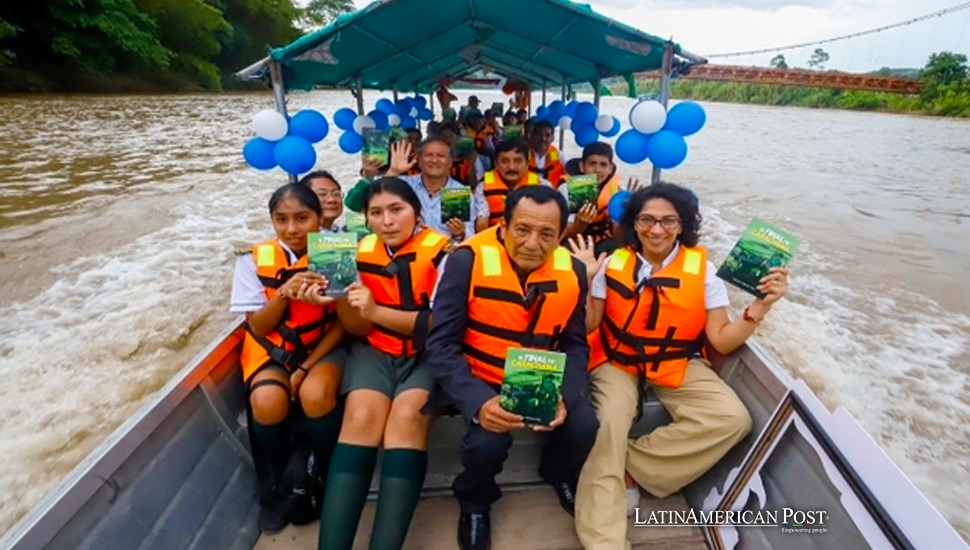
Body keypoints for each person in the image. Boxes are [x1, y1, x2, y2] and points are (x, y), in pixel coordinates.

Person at [572, 182, 790, 550]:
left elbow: (720, 340)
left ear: (683, 225)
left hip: (676, 360)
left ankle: (629, 464)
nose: (656, 230)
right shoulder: (611, 262)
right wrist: (584, 280)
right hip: (617, 359)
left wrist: (762, 305)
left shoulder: (703, 270)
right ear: (634, 223)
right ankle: (603, 543)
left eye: (668, 221)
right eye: (647, 220)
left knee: (732, 419)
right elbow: (590, 324)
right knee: (609, 426)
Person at [426, 185, 599, 550]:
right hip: (479, 373)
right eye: (522, 229)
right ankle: (474, 501)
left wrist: (564, 398)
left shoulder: (573, 272)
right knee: (487, 444)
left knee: (584, 426)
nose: (533, 243)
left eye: (547, 234)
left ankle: (556, 473)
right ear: (503, 226)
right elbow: (440, 344)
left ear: (560, 235)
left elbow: (575, 344)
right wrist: (477, 401)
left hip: (538, 375)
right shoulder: (465, 261)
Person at [316, 178, 449, 550]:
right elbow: (357, 326)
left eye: (396, 210)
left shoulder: (445, 253)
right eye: (376, 213)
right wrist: (340, 297)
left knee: (405, 421)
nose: (387, 221)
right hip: (375, 349)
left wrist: (376, 309)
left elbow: (440, 323)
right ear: (367, 219)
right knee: (360, 420)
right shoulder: (354, 253)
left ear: (416, 213)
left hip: (428, 354)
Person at [230, 183, 345, 532]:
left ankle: (324, 471)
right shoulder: (252, 260)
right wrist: (283, 294)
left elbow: (343, 324)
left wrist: (306, 367)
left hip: (322, 345)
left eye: (302, 218)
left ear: (319, 217)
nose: (292, 229)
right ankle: (281, 483)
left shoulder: (336, 252)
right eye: (281, 220)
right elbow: (259, 328)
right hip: (271, 348)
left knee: (316, 394)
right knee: (266, 400)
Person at [382, 139, 483, 242]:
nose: (434, 160)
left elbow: (470, 236)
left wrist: (461, 233)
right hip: (407, 253)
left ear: (450, 162)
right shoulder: (404, 185)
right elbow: (378, 197)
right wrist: (393, 171)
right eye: (429, 155)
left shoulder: (459, 192)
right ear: (419, 161)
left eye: (441, 155)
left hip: (446, 254)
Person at [560, 142, 633, 255]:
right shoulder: (566, 189)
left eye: (603, 165)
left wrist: (625, 214)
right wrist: (581, 223)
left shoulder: (618, 191)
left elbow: (619, 238)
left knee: (621, 251)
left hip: (604, 243)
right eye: (592, 164)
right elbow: (563, 233)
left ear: (610, 168)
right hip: (575, 241)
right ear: (582, 166)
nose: (597, 170)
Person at [473, 139, 549, 232]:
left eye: (518, 161)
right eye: (505, 161)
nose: (511, 167)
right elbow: (481, 225)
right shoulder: (482, 187)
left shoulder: (543, 186)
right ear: (496, 164)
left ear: (527, 163)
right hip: (495, 239)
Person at [528, 120, 568, 188]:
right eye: (539, 134)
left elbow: (572, 170)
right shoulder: (522, 154)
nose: (543, 138)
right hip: (528, 193)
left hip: (553, 194)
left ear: (552, 138)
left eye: (547, 135)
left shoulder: (560, 155)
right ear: (532, 136)